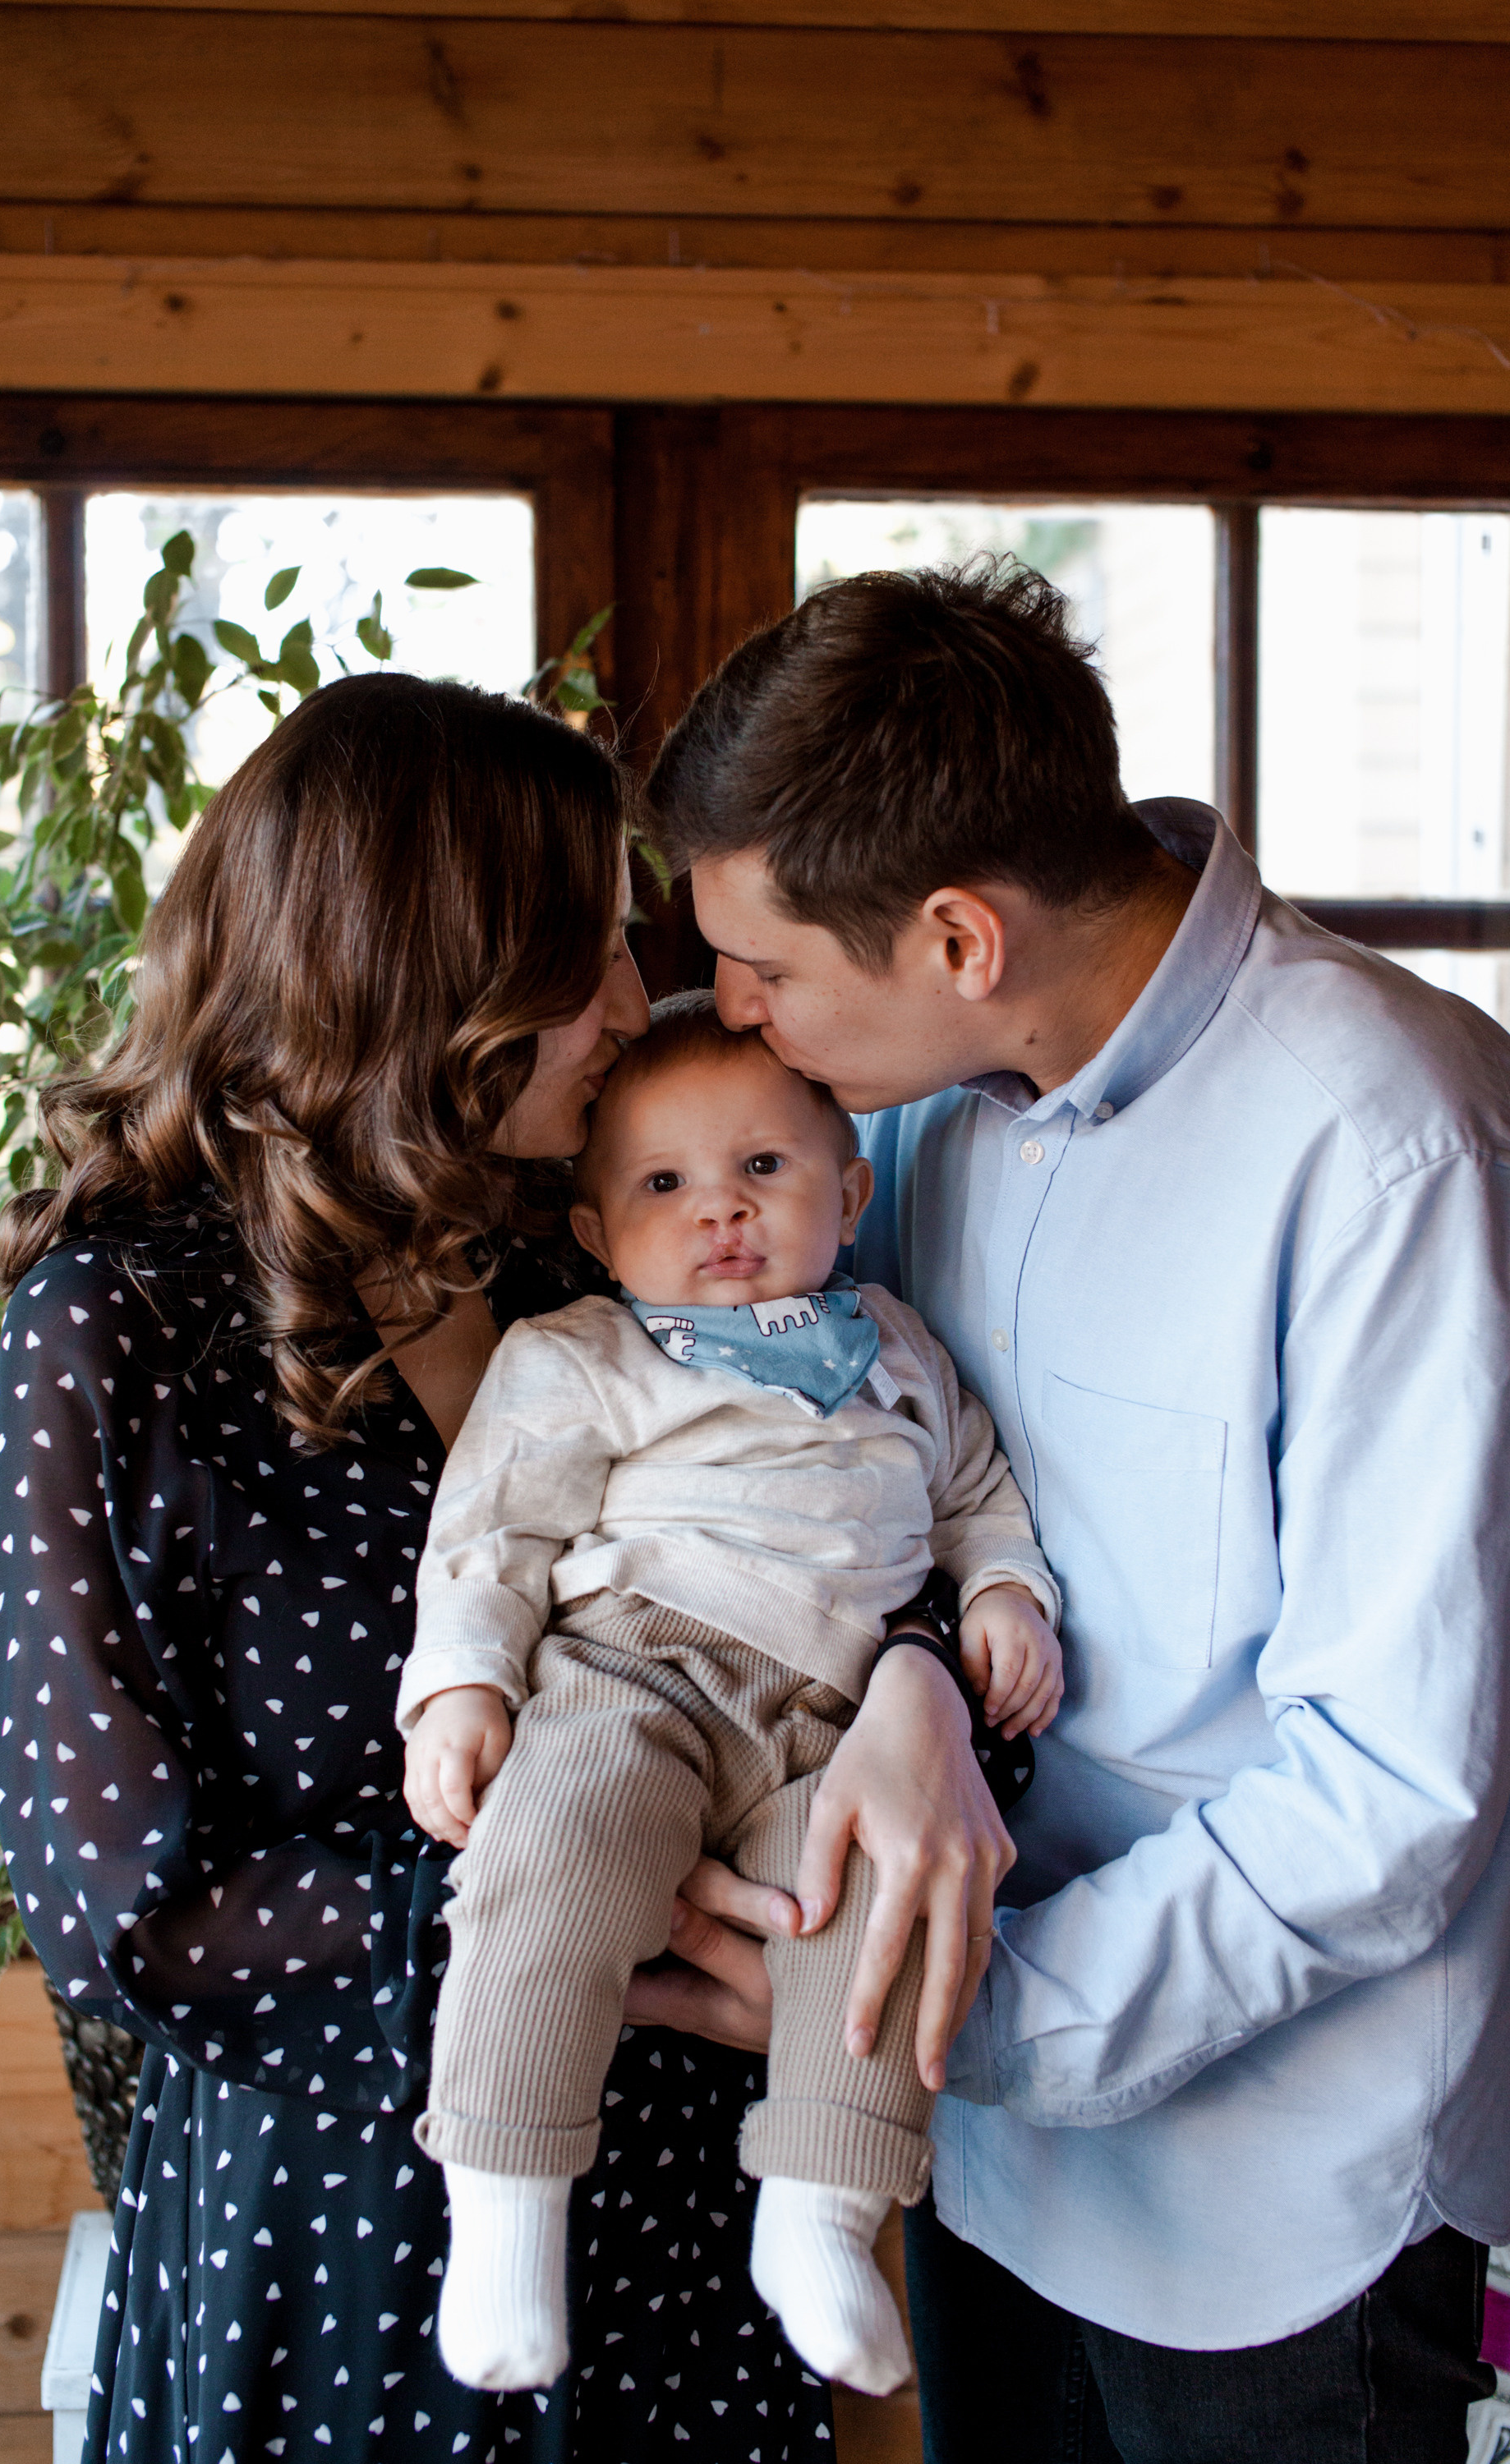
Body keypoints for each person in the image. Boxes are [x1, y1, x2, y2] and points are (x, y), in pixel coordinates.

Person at [0, 669, 1000, 2464]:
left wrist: (919, 1666)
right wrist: (584, 1916)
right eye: (576, 947)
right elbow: (119, 1898)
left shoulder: (591, 1250)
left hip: (691, 2210)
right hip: (345, 2230)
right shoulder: (125, 1318)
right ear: (417, 967)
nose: (635, 994)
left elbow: (828, 1508)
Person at [642, 563, 1510, 2463]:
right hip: (984, 2170)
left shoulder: (1390, 1138)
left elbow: (1392, 1788)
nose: (736, 1019)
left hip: (1291, 2212)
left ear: (959, 935)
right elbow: (889, 1495)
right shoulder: (911, 1112)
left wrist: (963, 2021)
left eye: (768, 971)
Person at [398, 991, 1061, 2397]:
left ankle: (818, 2211)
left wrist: (1006, 1594)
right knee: (554, 1853)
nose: (721, 1213)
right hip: (637, 1672)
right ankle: (504, 2203)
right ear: (593, 1232)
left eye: (763, 1169)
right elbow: (490, 1535)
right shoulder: (588, 1354)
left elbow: (977, 1500)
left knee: (879, 1911)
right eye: (663, 1184)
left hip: (825, 1725)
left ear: (850, 1188)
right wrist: (459, 1686)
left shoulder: (896, 1350)